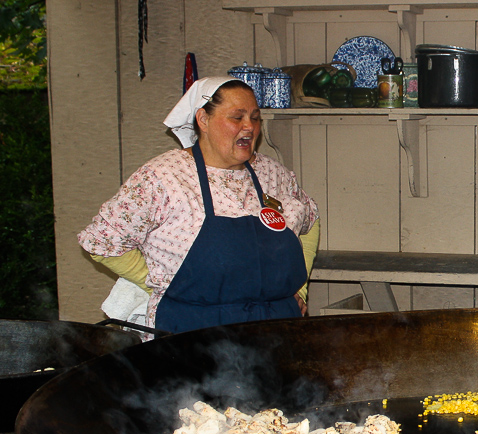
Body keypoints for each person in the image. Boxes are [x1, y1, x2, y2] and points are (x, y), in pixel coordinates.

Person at [79, 76, 320, 335]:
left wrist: (299, 289)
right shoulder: (164, 177)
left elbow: (310, 218)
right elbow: (101, 242)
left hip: (277, 329)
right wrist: (159, 284)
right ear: (203, 119)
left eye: (255, 117)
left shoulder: (272, 173)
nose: (249, 127)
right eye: (237, 117)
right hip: (192, 333)